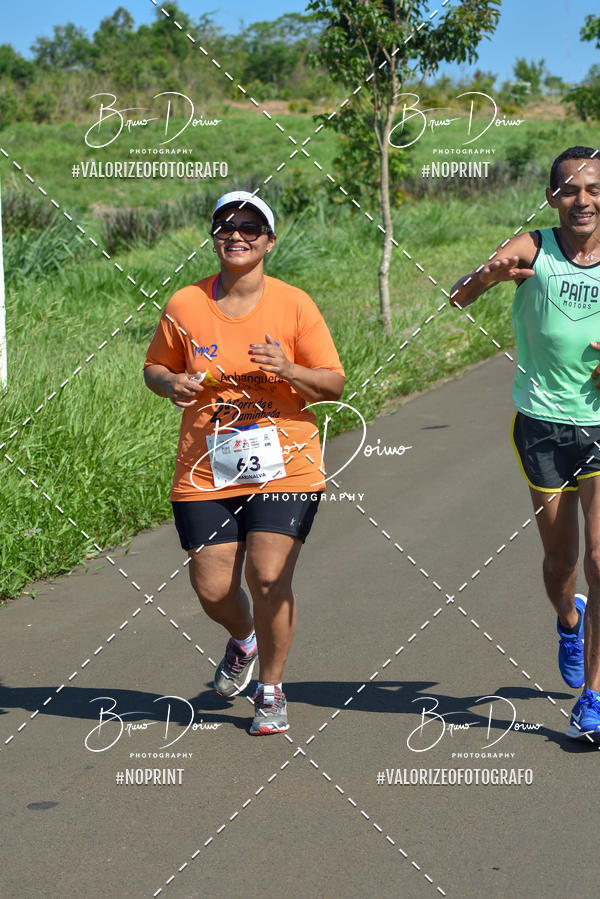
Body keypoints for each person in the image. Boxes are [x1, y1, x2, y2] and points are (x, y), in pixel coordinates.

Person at [143, 191, 345, 735]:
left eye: (250, 228)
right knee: (211, 588)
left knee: (268, 574)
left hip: (287, 462)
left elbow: (333, 383)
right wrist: (171, 383)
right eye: (225, 226)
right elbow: (155, 367)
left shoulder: (294, 305)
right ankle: (244, 640)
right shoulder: (185, 304)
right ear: (214, 237)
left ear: (269, 241)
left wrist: (288, 369)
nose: (237, 235)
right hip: (206, 467)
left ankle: (272, 688)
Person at [451, 146, 600, 742]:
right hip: (542, 422)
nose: (583, 200)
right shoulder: (532, 247)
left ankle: (593, 694)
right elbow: (459, 296)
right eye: (569, 189)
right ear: (551, 198)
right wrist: (487, 276)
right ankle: (569, 619)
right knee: (562, 562)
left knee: (599, 559)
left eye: (593, 188)